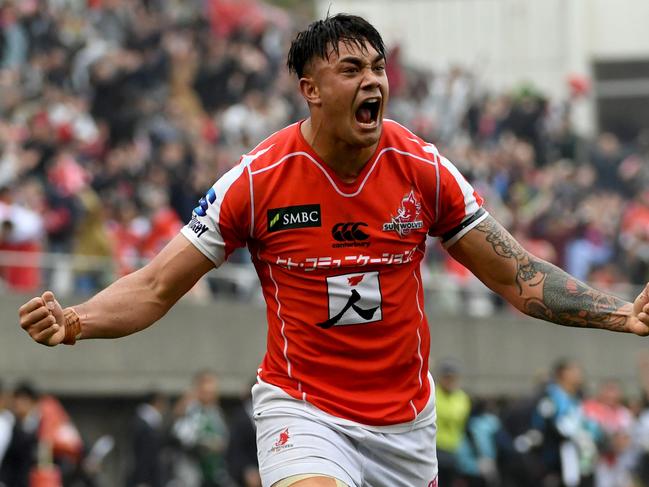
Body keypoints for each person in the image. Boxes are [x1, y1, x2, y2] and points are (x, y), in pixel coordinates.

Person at [17, 13, 649, 487]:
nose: (372, 80)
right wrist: (76, 321)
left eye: (377, 68)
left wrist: (620, 313)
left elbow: (520, 278)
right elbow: (155, 286)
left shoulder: (423, 169)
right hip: (304, 409)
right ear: (310, 89)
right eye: (352, 70)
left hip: (406, 427)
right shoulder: (257, 180)